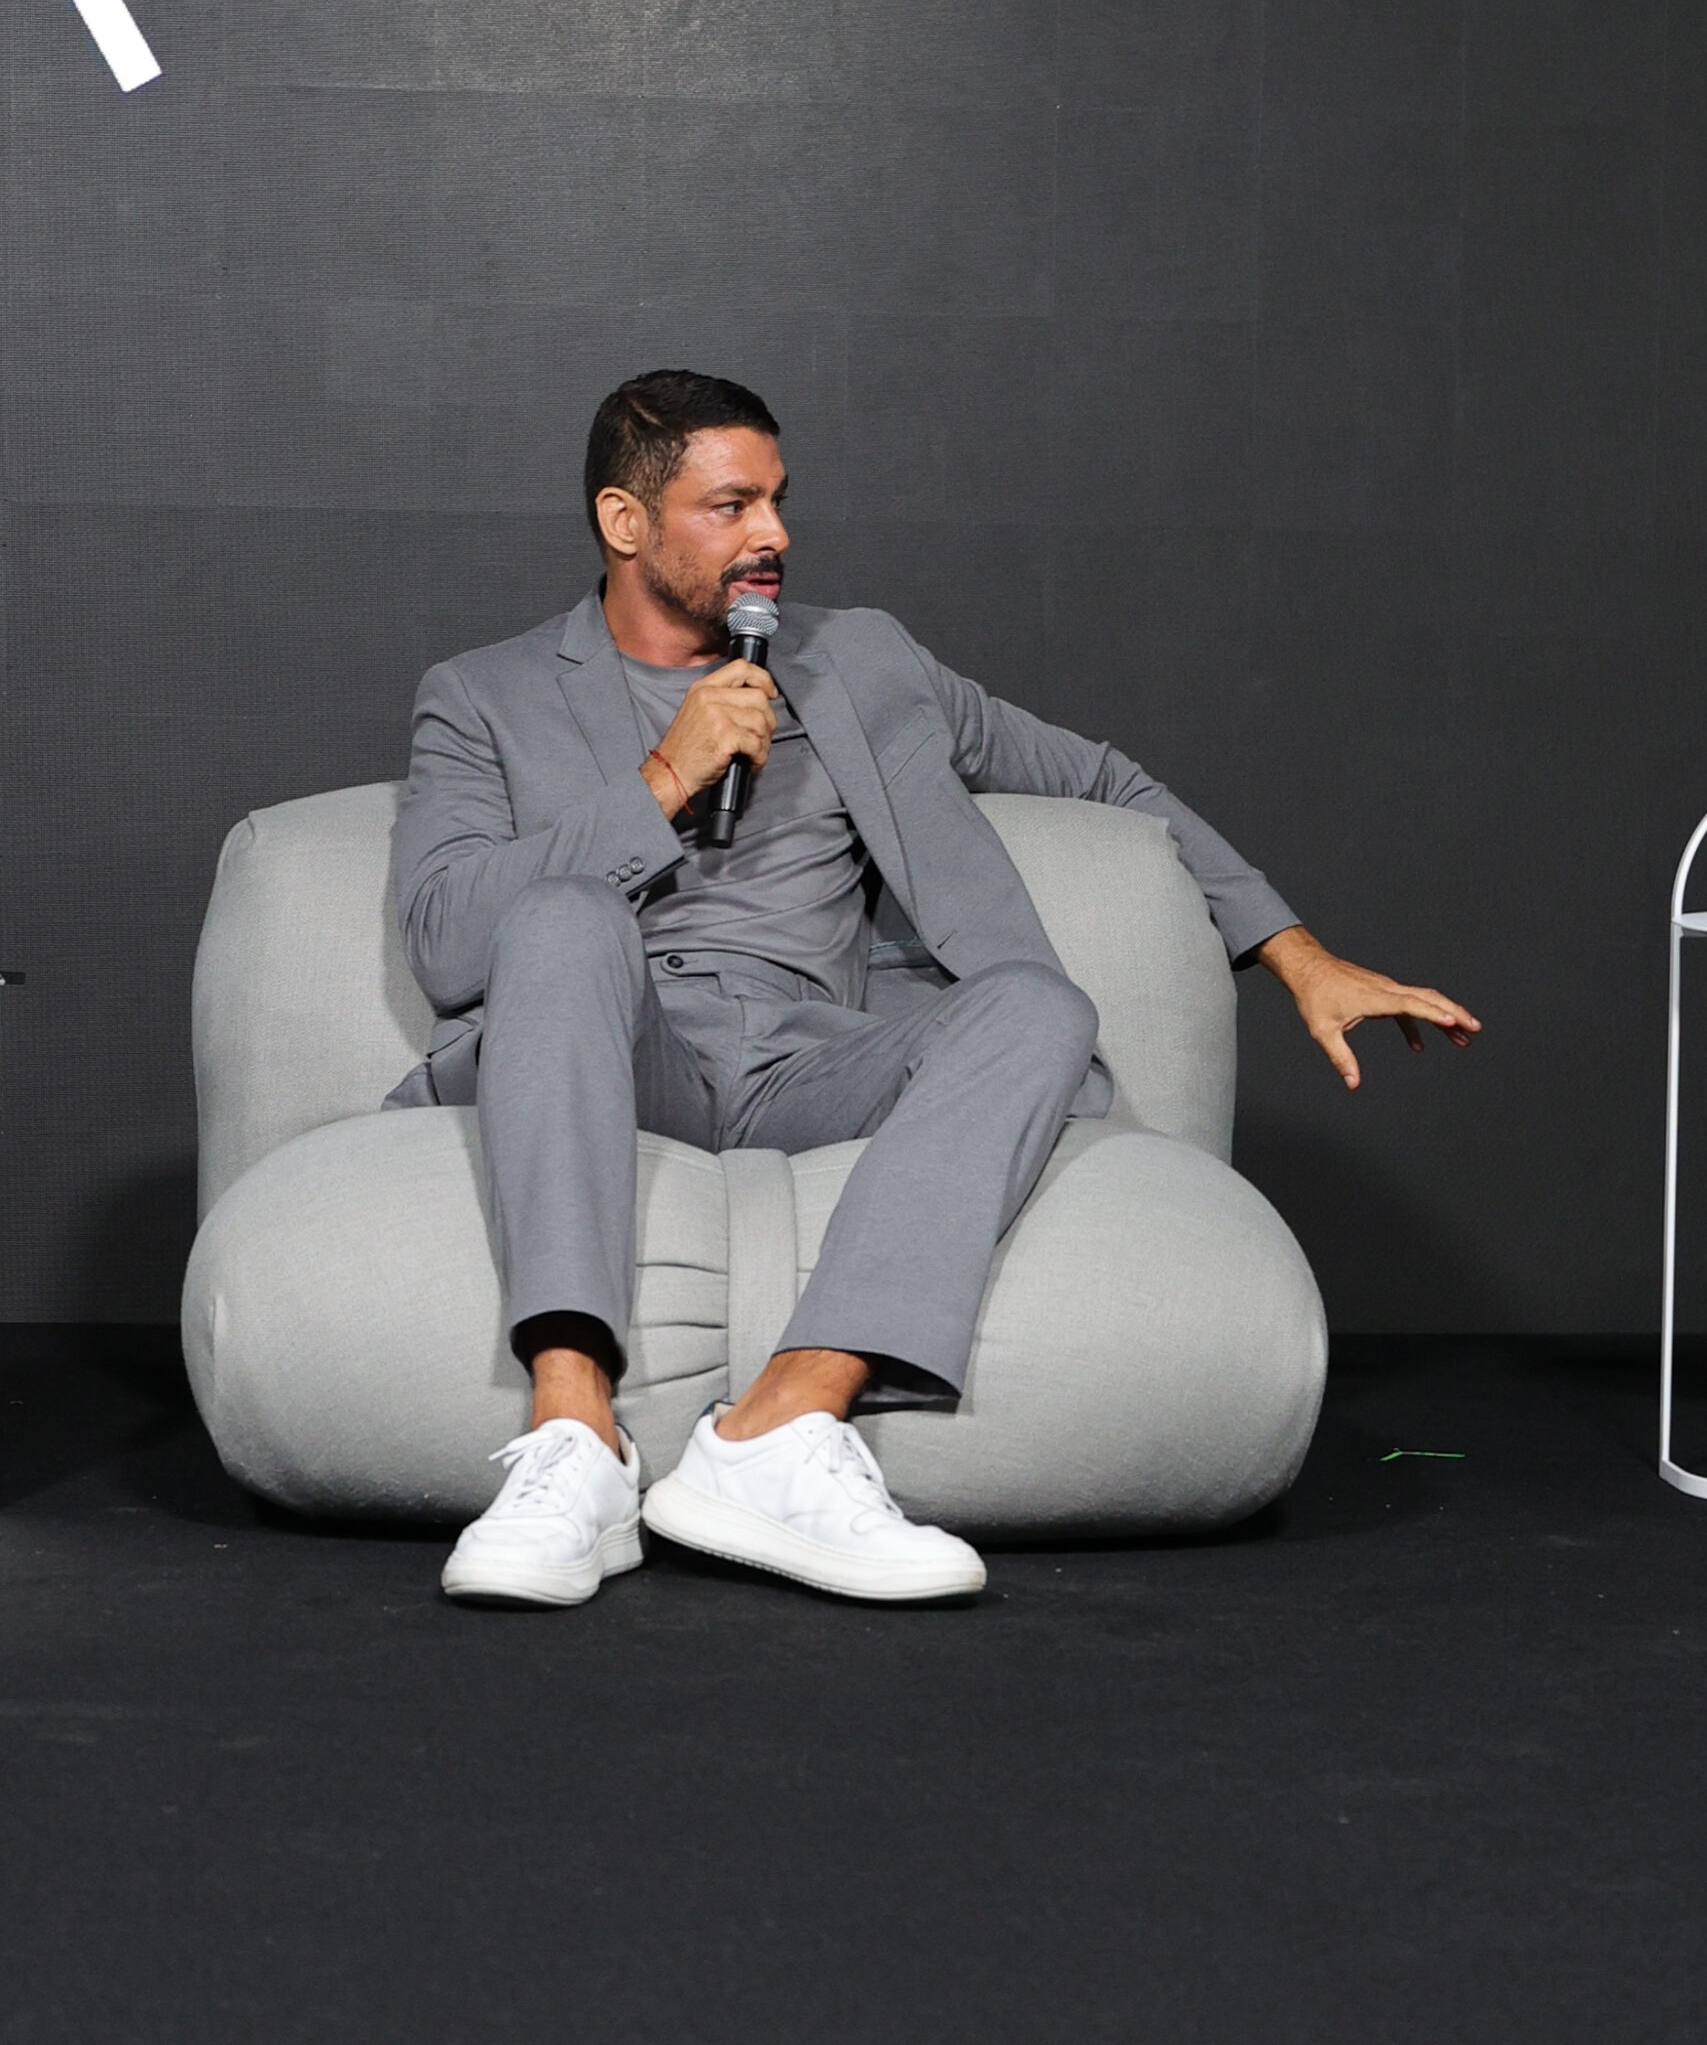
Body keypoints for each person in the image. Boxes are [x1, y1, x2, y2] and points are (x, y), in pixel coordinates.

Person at [389, 370, 1478, 1609]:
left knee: (1039, 1005)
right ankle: (575, 1438)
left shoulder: (860, 660)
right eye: (731, 506)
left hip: (813, 1059)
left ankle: (780, 1429)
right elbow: (447, 939)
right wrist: (660, 781)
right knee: (563, 915)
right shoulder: (484, 695)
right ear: (625, 522)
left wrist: (1294, 950)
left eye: (779, 500)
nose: (773, 534)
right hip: (619, 1046)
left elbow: (1105, 781)